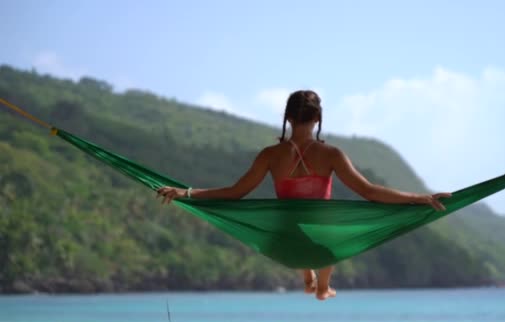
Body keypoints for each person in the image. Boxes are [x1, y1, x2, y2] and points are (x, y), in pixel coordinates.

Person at [156, 90, 451, 301]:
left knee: (298, 222)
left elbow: (236, 192)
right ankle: (322, 286)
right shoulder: (332, 154)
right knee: (326, 232)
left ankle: (308, 277)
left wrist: (188, 192)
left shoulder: (270, 155)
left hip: (283, 243)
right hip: (323, 248)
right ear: (318, 117)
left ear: (287, 118)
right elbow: (369, 191)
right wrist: (419, 198)